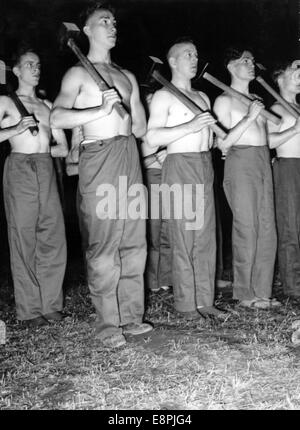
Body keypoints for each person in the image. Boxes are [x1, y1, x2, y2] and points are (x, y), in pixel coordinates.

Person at [50, 2, 152, 348]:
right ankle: (108, 324)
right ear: (86, 31)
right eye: (103, 21)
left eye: (113, 21)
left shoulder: (127, 76)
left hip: (128, 154)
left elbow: (139, 127)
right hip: (100, 154)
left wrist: (134, 114)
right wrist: (99, 109)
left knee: (134, 239)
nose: (111, 26)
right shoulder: (77, 74)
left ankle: (131, 316)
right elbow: (57, 119)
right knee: (104, 240)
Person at [146, 38, 226, 320]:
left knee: (205, 237)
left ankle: (205, 301)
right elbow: (152, 137)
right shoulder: (163, 96)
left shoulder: (203, 98)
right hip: (179, 165)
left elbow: (217, 139)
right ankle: (186, 304)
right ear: (173, 61)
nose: (194, 59)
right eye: (187, 54)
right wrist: (190, 125)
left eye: (196, 54)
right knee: (183, 236)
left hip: (205, 164)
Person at [0, 46, 68, 326]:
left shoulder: (48, 106)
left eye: (38, 65)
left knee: (52, 235)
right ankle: (29, 310)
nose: (36, 69)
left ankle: (51, 305)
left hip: (45, 166)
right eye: (29, 64)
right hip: (19, 167)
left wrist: (44, 155)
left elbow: (62, 148)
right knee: (23, 236)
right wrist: (15, 130)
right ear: (15, 71)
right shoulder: (4, 102)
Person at [213, 47, 280, 309]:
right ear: (230, 67)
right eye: (244, 60)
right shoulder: (223, 101)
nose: (251, 64)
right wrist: (249, 117)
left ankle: (262, 292)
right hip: (240, 162)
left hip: (264, 161)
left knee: (267, 227)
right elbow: (222, 143)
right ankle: (244, 293)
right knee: (247, 227)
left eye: (253, 59)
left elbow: (271, 130)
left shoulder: (255, 99)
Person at [267, 60, 300, 297]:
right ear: (280, 78)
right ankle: (293, 286)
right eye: (295, 69)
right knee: (290, 226)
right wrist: (295, 129)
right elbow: (269, 142)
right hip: (288, 168)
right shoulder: (274, 109)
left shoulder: (297, 108)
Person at [140, 91, 172, 293]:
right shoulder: (142, 131)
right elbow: (135, 163)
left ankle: (166, 277)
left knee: (168, 231)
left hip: (171, 179)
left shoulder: (168, 127)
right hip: (151, 179)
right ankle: (152, 280)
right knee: (153, 231)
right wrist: (155, 158)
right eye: (149, 100)